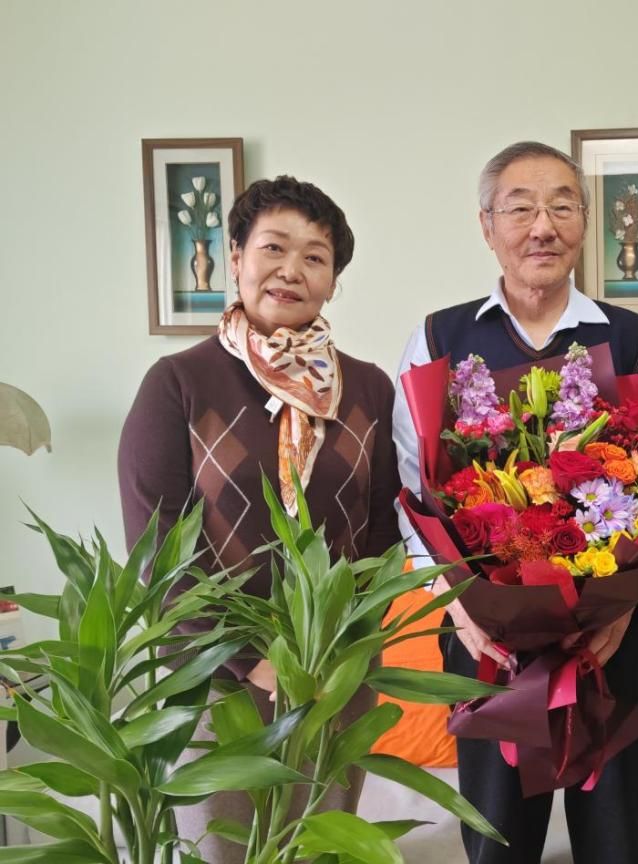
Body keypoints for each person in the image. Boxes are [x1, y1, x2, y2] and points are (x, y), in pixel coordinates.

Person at [392, 141, 638, 864]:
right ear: (487, 225)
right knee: (497, 841)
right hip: (486, 636)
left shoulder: (634, 338)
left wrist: (622, 610)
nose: (542, 226)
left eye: (562, 205)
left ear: (585, 223)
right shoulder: (440, 337)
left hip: (613, 638)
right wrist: (458, 604)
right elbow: (410, 487)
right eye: (520, 208)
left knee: (617, 841)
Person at [118, 175, 401, 863]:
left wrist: (334, 651)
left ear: (333, 281)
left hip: (333, 671)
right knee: (226, 850)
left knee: (321, 848)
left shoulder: (367, 388)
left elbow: (381, 530)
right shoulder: (178, 384)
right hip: (212, 674)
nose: (291, 269)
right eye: (274, 247)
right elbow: (157, 548)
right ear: (237, 256)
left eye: (315, 256)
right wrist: (251, 659)